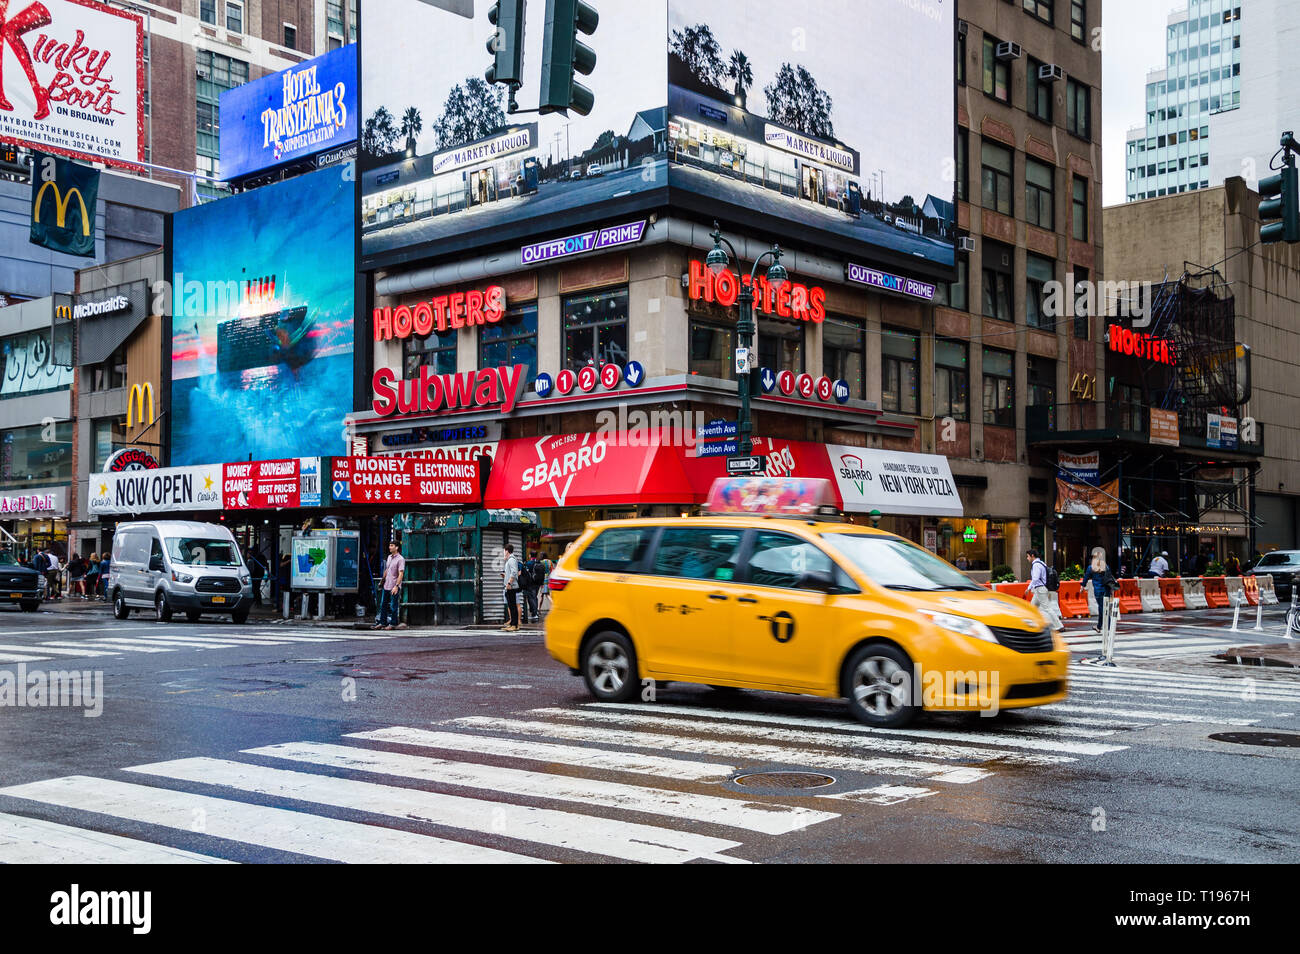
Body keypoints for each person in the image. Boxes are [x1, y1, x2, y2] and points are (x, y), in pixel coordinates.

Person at [1081, 547, 1119, 634]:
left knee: (1102, 608)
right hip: (1106, 590)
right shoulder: (1106, 567)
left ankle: (1108, 627)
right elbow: (1110, 579)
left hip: (1098, 591)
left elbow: (1086, 578)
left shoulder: (1091, 568)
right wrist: (1112, 591)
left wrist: (1082, 587)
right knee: (1103, 607)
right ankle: (1099, 626)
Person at [1025, 548, 1063, 633]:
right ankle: (1033, 625)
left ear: (1032, 556)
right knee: (1032, 607)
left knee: (1047, 608)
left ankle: (1059, 626)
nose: (1027, 558)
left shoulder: (1036, 565)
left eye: (1027, 556)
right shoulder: (1042, 563)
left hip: (1040, 589)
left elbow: (1035, 578)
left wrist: (1028, 588)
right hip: (1040, 589)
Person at [374, 540, 405, 630]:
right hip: (386, 585)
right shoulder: (389, 557)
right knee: (383, 604)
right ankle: (382, 622)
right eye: (389, 545)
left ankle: (393, 624)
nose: (390, 547)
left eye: (392, 545)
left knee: (393, 606)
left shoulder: (400, 559)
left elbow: (401, 574)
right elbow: (387, 570)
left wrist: (396, 586)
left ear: (397, 547)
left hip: (394, 586)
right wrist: (382, 581)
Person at [501, 543, 520, 631]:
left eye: (504, 550)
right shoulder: (509, 559)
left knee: (512, 606)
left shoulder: (511, 560)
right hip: (510, 586)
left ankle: (514, 625)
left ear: (507, 551)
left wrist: (509, 583)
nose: (503, 552)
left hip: (511, 587)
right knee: (511, 606)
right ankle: (513, 624)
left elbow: (514, 572)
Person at [520, 549, 541, 624]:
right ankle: (535, 612)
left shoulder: (528, 563)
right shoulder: (539, 563)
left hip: (530, 584)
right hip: (538, 583)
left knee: (531, 598)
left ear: (530, 555)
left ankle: (534, 613)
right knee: (535, 597)